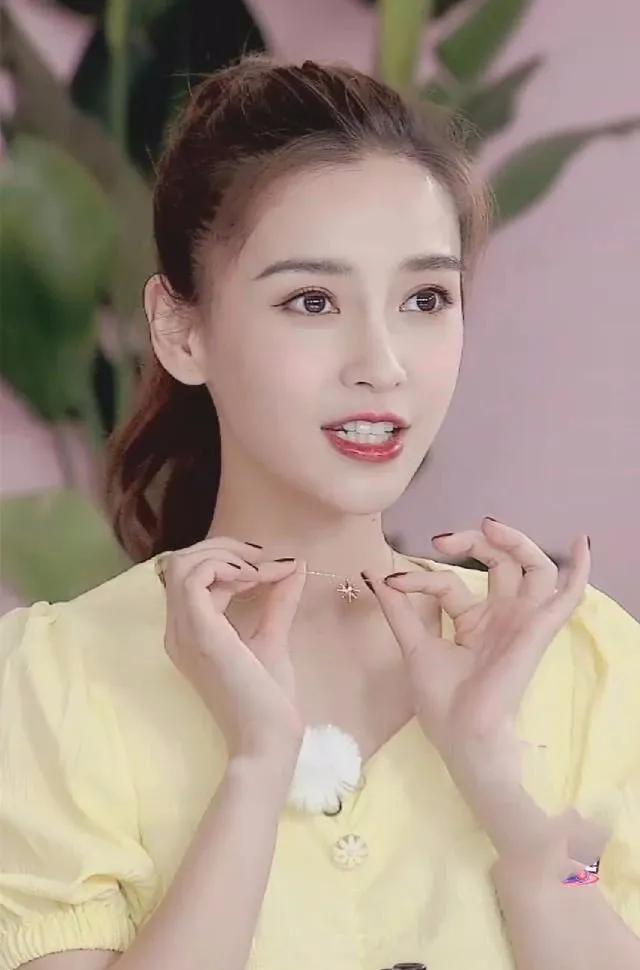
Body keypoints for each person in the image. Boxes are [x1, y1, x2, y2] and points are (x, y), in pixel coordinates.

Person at [1, 53, 639, 970]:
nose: (382, 363)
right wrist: (255, 771)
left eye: (425, 298)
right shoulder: (56, 683)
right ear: (181, 329)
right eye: (312, 300)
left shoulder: (584, 660)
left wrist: (507, 795)